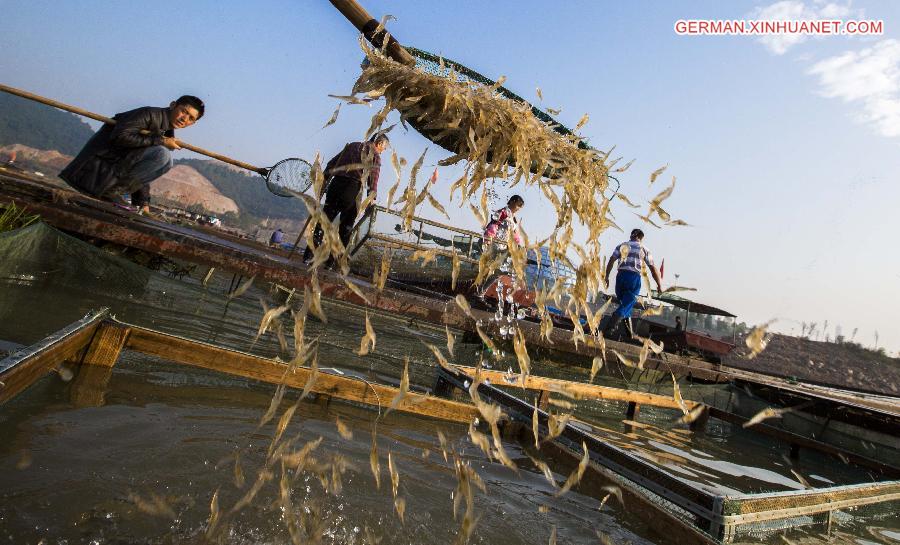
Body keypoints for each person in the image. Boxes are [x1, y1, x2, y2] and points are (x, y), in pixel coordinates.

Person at [60, 95, 205, 214]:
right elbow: (119, 137)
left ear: (193, 123)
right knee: (163, 156)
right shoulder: (149, 114)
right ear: (173, 105)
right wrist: (160, 140)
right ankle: (112, 192)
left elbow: (141, 167)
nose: (184, 118)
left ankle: (116, 193)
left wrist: (143, 203)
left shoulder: (166, 130)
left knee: (165, 161)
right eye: (183, 111)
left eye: (191, 118)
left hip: (109, 171)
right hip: (91, 170)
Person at [303, 134, 389, 263]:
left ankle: (308, 256)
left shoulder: (352, 145)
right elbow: (373, 180)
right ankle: (332, 263)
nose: (383, 151)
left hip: (335, 186)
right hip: (352, 190)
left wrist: (324, 182)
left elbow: (332, 164)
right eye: (384, 148)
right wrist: (371, 200)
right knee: (345, 229)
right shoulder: (375, 155)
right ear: (379, 144)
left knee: (324, 222)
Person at [601, 228, 663, 338]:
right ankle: (609, 329)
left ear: (631, 235)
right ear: (641, 238)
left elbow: (611, 260)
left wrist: (606, 276)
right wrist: (659, 284)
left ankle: (630, 333)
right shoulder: (644, 249)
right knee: (626, 305)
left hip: (620, 278)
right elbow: (653, 269)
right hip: (633, 278)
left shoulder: (621, 246)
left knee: (626, 304)